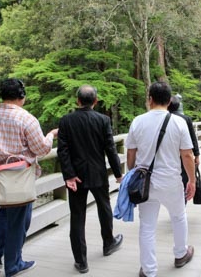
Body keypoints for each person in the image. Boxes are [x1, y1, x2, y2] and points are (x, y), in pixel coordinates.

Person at [0, 78, 58, 277]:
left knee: (7, 214)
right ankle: (13, 265)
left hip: (0, 175)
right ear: (21, 96)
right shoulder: (26, 118)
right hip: (21, 175)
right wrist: (51, 135)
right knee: (20, 220)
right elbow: (41, 148)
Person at [125, 81, 196, 277]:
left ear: (150, 99)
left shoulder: (138, 121)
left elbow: (131, 154)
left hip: (146, 183)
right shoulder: (178, 122)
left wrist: (133, 173)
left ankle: (149, 270)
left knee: (147, 227)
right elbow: (187, 155)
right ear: (169, 100)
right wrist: (192, 181)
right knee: (178, 217)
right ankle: (181, 254)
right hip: (171, 181)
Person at [57, 85, 124, 274]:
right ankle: (108, 242)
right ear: (95, 101)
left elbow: (63, 151)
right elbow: (110, 148)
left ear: (78, 101)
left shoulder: (66, 121)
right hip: (97, 173)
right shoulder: (103, 120)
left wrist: (69, 175)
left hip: (75, 177)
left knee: (77, 216)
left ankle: (81, 261)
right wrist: (118, 173)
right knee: (104, 206)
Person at [167, 94, 200, 197]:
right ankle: (183, 197)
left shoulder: (163, 118)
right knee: (184, 176)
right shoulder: (186, 119)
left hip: (168, 154)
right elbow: (193, 138)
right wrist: (197, 155)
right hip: (183, 153)